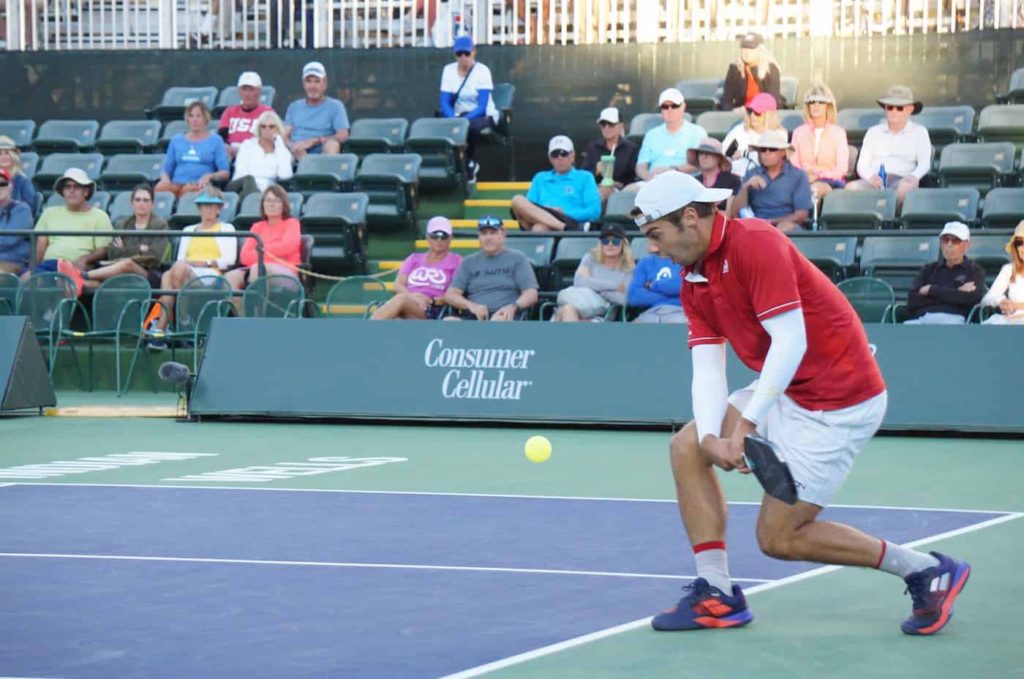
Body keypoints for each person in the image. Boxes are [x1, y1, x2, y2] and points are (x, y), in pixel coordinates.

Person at [630, 170, 969, 636]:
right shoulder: (694, 278)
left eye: (655, 235)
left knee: (779, 539)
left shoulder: (755, 242)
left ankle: (924, 569)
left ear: (690, 218)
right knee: (688, 447)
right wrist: (713, 438)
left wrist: (744, 427)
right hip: (787, 389)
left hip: (840, 400)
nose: (653, 248)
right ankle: (717, 593)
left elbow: (790, 340)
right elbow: (708, 366)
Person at [149, 188, 237, 344]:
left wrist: (204, 262)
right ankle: (165, 328)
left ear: (219, 208)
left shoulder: (227, 229)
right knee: (168, 275)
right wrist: (189, 264)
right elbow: (181, 258)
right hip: (186, 273)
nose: (208, 209)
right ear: (199, 208)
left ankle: (176, 321)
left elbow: (229, 260)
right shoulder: (188, 230)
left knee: (174, 273)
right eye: (204, 205)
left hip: (211, 274)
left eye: (212, 205)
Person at [62, 184, 170, 292]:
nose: (141, 204)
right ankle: (77, 284)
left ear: (152, 204)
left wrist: (125, 249)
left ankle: (81, 275)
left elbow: (155, 257)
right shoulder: (122, 224)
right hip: (115, 269)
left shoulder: (160, 226)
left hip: (148, 273)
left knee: (127, 263)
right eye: (137, 200)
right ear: (132, 203)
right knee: (90, 285)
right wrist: (140, 249)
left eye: (146, 200)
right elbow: (113, 253)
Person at [847, 85, 932, 210]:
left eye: (899, 108)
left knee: (904, 189)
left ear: (910, 109)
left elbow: (924, 163)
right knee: (850, 189)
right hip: (875, 179)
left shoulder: (920, 132)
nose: (894, 111)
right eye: (890, 107)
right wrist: (871, 177)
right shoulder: (873, 132)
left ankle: (893, 226)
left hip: (903, 178)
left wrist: (913, 177)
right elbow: (862, 164)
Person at [28, 169, 112, 292]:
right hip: (48, 266)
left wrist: (84, 259)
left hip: (77, 268)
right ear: (63, 191)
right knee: (24, 280)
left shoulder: (100, 216)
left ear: (86, 191)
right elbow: (40, 248)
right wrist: (32, 269)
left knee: (63, 282)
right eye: (67, 187)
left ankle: (57, 311)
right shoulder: (49, 213)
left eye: (76, 186)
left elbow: (103, 249)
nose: (71, 190)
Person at [443, 215, 538, 321]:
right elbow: (451, 294)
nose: (488, 238)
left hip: (506, 316)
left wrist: (513, 307)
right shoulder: (468, 262)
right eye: (484, 233)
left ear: (503, 234)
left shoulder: (518, 258)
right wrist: (471, 306)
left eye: (493, 233)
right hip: (474, 316)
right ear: (479, 236)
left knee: (497, 321)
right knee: (449, 321)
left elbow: (531, 293)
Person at [225, 186, 301, 313]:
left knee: (258, 268)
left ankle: (258, 318)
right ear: (263, 205)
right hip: (256, 268)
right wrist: (272, 251)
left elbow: (287, 247)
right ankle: (241, 319)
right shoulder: (257, 227)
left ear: (284, 204)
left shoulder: (292, 224)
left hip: (287, 273)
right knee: (230, 277)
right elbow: (245, 256)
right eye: (268, 200)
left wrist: (260, 251)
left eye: (276, 201)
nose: (271, 204)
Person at [371, 216, 462, 321]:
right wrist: (412, 297)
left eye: (444, 236)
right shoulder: (414, 259)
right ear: (427, 237)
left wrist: (434, 300)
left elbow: (456, 291)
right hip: (409, 303)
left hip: (432, 308)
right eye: (434, 236)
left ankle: (364, 330)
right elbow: (397, 285)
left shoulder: (457, 261)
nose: (439, 240)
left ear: (451, 238)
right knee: (397, 319)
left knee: (401, 299)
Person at [438, 35, 499, 182]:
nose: (463, 57)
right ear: (455, 55)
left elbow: (482, 106)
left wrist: (463, 121)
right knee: (443, 126)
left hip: (482, 115)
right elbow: (444, 102)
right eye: (459, 54)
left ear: (474, 52)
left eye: (467, 53)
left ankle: (468, 163)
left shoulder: (483, 71)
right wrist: (453, 118)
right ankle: (464, 165)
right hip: (458, 114)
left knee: (468, 127)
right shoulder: (448, 70)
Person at [510, 136, 601, 232]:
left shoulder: (585, 177)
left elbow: (594, 211)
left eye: (564, 153)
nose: (560, 157)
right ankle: (563, 227)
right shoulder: (540, 178)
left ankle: (563, 226)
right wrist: (550, 214)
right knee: (517, 200)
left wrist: (563, 213)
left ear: (572, 155)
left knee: (539, 228)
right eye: (555, 154)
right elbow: (530, 208)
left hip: (570, 220)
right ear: (550, 158)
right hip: (544, 221)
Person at [730, 130, 812, 233]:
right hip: (756, 228)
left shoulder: (798, 176)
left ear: (782, 152)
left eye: (772, 149)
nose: (767, 153)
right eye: (763, 150)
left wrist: (770, 223)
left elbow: (801, 215)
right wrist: (745, 187)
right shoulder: (751, 174)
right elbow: (735, 213)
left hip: (786, 227)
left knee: (785, 227)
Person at [904, 222, 985, 325]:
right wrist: (955, 293)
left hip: (955, 319)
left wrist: (931, 289)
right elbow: (912, 300)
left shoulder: (974, 270)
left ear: (966, 245)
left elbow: (971, 299)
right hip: (923, 317)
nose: (949, 244)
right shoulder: (928, 269)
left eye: (955, 240)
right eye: (945, 240)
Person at [552, 224, 635, 322]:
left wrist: (595, 289)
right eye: (605, 241)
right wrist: (614, 286)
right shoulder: (590, 258)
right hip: (579, 304)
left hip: (603, 314)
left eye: (615, 241)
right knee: (568, 310)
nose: (610, 245)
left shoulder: (629, 268)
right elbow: (579, 282)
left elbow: (624, 299)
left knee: (569, 316)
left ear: (623, 244)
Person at [155, 101, 230, 198]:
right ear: (187, 119)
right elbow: (166, 169)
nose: (194, 120)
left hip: (197, 184)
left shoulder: (215, 140)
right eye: (191, 116)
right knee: (160, 188)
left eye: (198, 116)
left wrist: (209, 176)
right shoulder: (176, 140)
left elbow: (224, 172)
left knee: (188, 191)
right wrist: (165, 180)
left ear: (205, 119)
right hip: (175, 184)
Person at [633, 88, 708, 184]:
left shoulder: (698, 132)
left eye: (674, 106)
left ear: (683, 107)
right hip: (653, 182)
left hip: (686, 182)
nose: (670, 110)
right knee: (624, 194)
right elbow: (641, 166)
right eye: (665, 106)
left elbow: (699, 163)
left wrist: (672, 170)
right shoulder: (651, 135)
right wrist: (647, 176)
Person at [789, 83, 850, 199]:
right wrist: (805, 176)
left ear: (828, 106)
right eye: (812, 102)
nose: (816, 105)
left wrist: (818, 175)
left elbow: (841, 169)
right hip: (802, 179)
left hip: (830, 181)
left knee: (813, 190)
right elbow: (793, 164)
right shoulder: (798, 132)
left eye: (820, 102)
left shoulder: (838, 133)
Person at [284, 61, 350, 160]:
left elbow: (343, 135)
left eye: (317, 81)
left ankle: (323, 173)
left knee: (332, 145)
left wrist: (315, 141)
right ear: (303, 84)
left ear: (325, 83)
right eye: (309, 81)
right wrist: (293, 147)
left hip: (322, 153)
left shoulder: (335, 106)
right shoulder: (294, 107)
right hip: (294, 154)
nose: (312, 86)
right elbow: (284, 135)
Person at [227, 110, 294, 200]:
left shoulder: (282, 151)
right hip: (239, 185)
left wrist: (279, 144)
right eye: (263, 126)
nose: (267, 130)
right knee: (249, 180)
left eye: (271, 127)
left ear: (278, 129)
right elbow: (241, 172)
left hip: (266, 190)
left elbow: (285, 175)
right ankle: (254, 201)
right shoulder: (248, 145)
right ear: (258, 129)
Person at [581, 107, 639, 206]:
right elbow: (583, 175)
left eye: (611, 124)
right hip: (595, 188)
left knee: (602, 192)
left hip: (621, 192)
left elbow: (634, 176)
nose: (607, 128)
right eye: (603, 124)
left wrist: (619, 184)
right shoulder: (594, 147)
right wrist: (596, 170)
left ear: (620, 126)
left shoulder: (631, 149)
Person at [721, 92, 783, 178]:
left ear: (768, 115)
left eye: (758, 113)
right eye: (750, 111)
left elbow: (770, 161)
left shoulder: (779, 134)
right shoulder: (739, 130)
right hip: (736, 179)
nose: (753, 116)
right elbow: (724, 155)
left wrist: (744, 154)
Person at [218, 71, 274, 159]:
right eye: (244, 89)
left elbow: (270, 139)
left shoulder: (267, 113)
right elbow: (221, 137)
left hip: (256, 154)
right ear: (239, 91)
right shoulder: (230, 112)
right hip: (231, 154)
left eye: (251, 89)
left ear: (259, 91)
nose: (247, 94)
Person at [720, 32, 782, 111]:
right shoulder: (735, 68)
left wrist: (749, 110)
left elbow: (772, 99)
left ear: (760, 50)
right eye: (744, 48)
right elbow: (726, 98)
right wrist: (731, 112)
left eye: (751, 49)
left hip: (764, 114)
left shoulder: (771, 69)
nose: (746, 52)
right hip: (740, 113)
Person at [627, 240, 685, 324]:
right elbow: (634, 297)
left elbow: (683, 287)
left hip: (679, 312)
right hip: (651, 313)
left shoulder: (686, 260)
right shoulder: (645, 262)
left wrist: (653, 285)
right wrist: (671, 297)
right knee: (632, 332)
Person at [980, 221, 1024, 325]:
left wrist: (1016, 305)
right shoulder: (1009, 269)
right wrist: (1001, 301)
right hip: (1012, 321)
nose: (1022, 248)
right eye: (1019, 243)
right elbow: (987, 299)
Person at [687, 138, 741, 212]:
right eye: (701, 153)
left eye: (708, 153)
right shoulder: (693, 182)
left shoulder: (733, 181)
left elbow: (729, 215)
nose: (704, 156)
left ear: (719, 158)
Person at [0, 168, 34, 275]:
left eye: (3, 184)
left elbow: (7, 240)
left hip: (9, 262)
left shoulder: (22, 209)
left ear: (11, 186)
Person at [0, 136, 37, 210]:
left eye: (7, 153)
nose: (4, 157)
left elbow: (28, 208)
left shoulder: (22, 180)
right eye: (0, 154)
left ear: (14, 156)